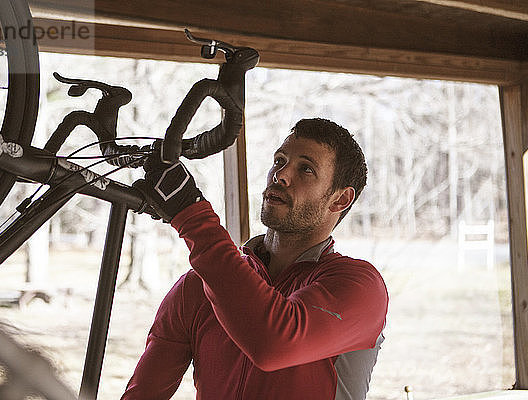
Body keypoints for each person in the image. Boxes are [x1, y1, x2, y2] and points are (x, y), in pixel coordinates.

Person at [123, 118, 388, 400]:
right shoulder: (198, 286)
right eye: (279, 160)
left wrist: (192, 214)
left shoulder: (359, 287)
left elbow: (273, 343)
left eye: (306, 169)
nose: (281, 175)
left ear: (340, 200)